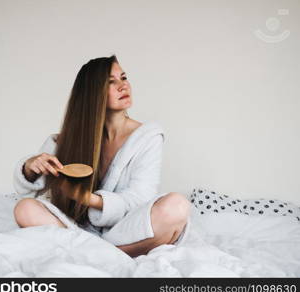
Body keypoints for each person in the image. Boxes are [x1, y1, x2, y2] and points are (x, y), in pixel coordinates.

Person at [13, 55, 191, 258]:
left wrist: (88, 199)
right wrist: (29, 167)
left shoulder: (147, 137)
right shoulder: (65, 140)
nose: (123, 86)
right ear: (92, 94)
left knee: (177, 206)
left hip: (124, 229)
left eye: (123, 78)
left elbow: (139, 198)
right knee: (24, 209)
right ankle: (102, 253)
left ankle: (93, 253)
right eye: (111, 82)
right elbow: (32, 192)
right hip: (77, 230)